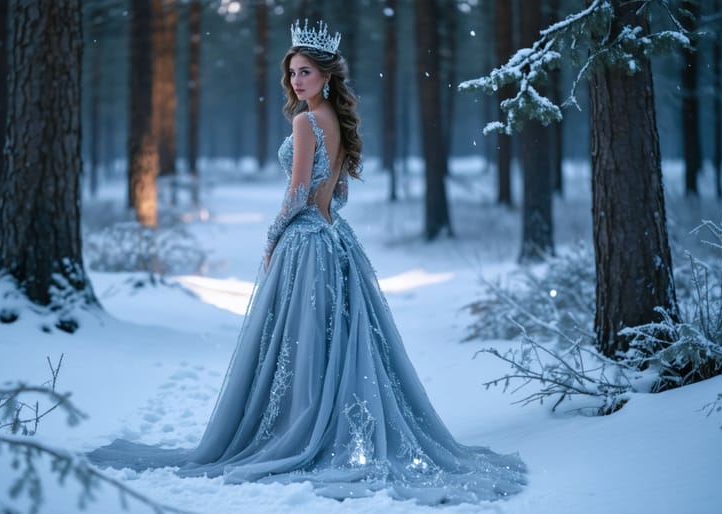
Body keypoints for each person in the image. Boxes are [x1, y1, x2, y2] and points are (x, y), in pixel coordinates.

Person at [89, 20, 526, 505]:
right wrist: (319, 220)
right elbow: (334, 192)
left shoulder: (305, 122)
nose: (297, 81)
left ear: (327, 77)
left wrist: (274, 236)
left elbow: (297, 191)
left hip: (305, 243)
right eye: (293, 73)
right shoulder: (334, 122)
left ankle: (300, 431)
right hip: (333, 239)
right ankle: (326, 427)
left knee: (302, 343)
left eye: (306, 72)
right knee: (327, 342)